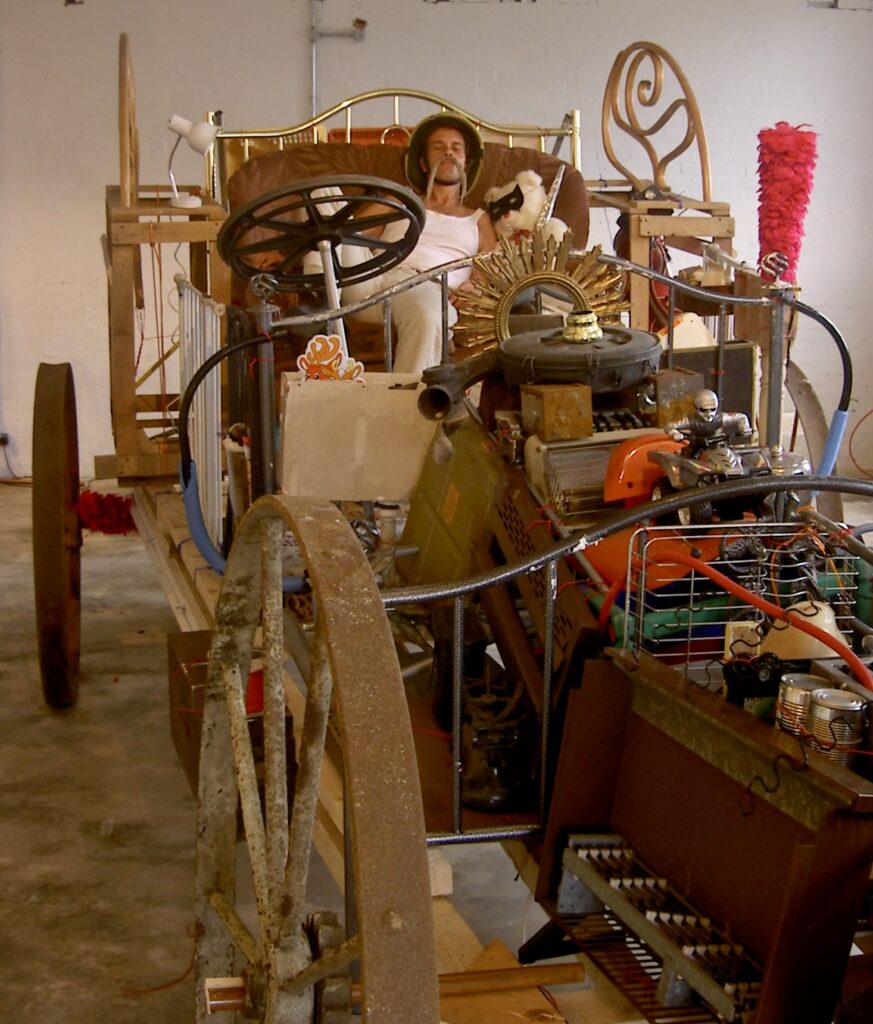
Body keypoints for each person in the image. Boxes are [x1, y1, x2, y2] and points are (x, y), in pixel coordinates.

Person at [309, 113, 498, 375]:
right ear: (423, 163)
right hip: (372, 281)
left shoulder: (478, 219)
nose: (448, 152)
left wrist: (473, 286)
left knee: (431, 313)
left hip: (429, 287)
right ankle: (317, 286)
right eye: (438, 147)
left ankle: (408, 399)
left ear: (466, 163)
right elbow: (350, 233)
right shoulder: (400, 200)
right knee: (322, 193)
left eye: (456, 148)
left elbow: (489, 265)